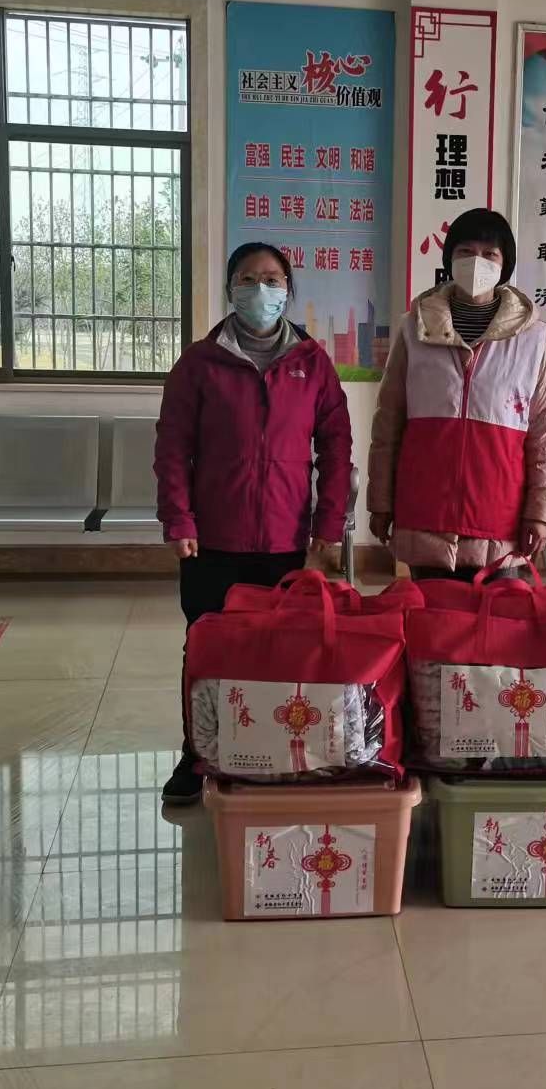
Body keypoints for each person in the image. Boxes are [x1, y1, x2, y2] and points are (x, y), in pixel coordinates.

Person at [154, 241, 351, 802]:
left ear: (288, 289)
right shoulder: (199, 363)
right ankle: (197, 755)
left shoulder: (312, 363)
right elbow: (173, 447)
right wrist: (178, 519)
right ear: (230, 289)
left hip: (286, 542)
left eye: (272, 279)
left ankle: (268, 750)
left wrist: (327, 527)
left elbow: (336, 448)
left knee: (280, 650)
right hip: (213, 540)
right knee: (207, 651)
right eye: (247, 278)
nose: (260, 289)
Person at [368, 208, 546, 580]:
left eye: (490, 254)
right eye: (466, 251)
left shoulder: (532, 339)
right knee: (431, 616)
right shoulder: (413, 330)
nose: (477, 262)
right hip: (426, 513)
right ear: (449, 258)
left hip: (499, 519)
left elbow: (544, 434)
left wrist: (540, 513)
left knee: (498, 617)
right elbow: (388, 423)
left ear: (504, 265)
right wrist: (381, 501)